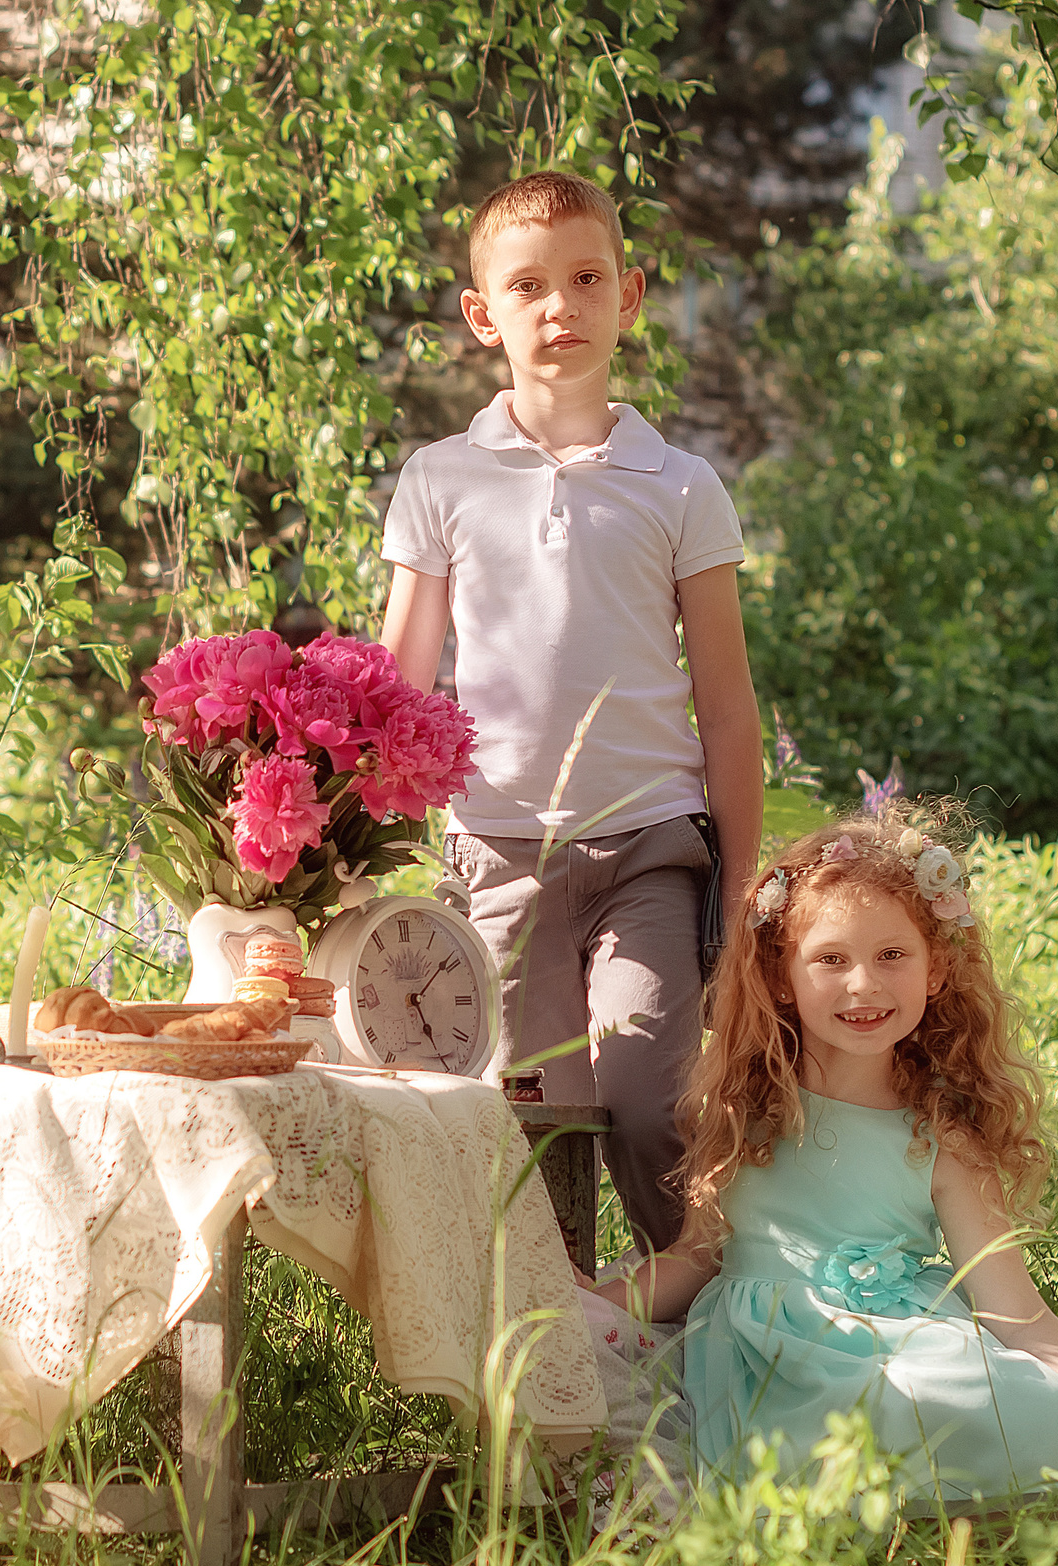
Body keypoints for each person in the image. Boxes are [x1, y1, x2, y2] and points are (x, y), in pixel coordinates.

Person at [603, 803, 1058, 1560]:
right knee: (863, 1438)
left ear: (936, 969)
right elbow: (696, 1257)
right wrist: (583, 1301)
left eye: (892, 955)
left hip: (911, 1343)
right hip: (774, 1368)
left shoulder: (940, 1139)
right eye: (830, 958)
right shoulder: (742, 1112)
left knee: (989, 1403)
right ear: (779, 974)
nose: (863, 983)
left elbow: (1018, 1317)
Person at [378, 169, 763, 1254]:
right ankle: (556, 1379)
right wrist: (350, 845)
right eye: (528, 286)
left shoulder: (679, 485)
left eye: (587, 279)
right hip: (501, 851)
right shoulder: (442, 479)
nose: (560, 306)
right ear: (480, 314)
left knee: (653, 1102)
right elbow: (397, 688)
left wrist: (737, 893)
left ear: (629, 297)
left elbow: (727, 708)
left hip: (650, 850)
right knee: (527, 1124)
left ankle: (694, 1344)